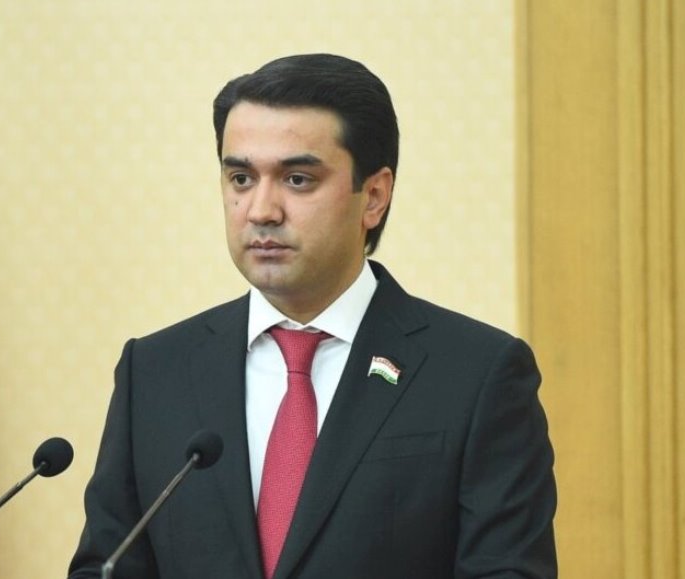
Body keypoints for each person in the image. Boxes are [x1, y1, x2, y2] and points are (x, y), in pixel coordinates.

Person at [68, 53, 556, 579]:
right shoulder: (154, 372)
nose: (261, 210)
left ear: (374, 196)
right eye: (241, 178)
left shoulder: (476, 375)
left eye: (297, 179)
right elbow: (107, 566)